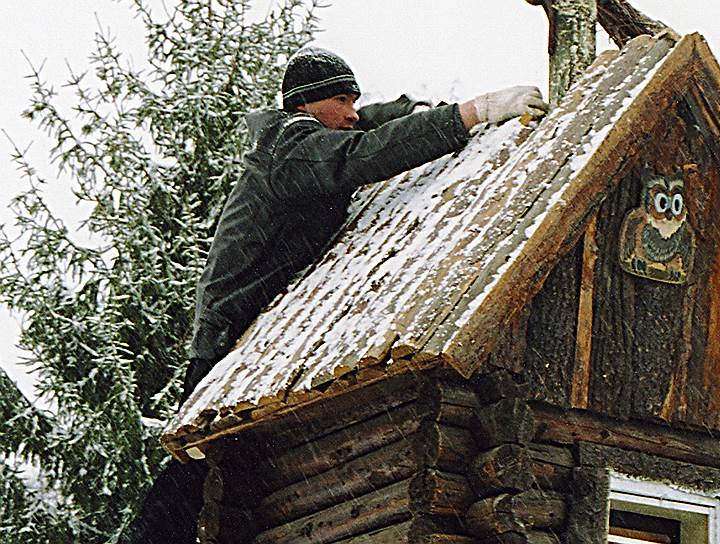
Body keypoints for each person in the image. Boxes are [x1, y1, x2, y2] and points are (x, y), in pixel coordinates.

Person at [126, 47, 548, 543]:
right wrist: (470, 113)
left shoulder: (307, 134)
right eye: (341, 100)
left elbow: (368, 122)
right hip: (227, 337)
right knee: (197, 476)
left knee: (225, 477)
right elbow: (364, 154)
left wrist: (410, 111)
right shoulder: (293, 149)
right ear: (305, 104)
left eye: (354, 100)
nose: (352, 112)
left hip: (251, 332)